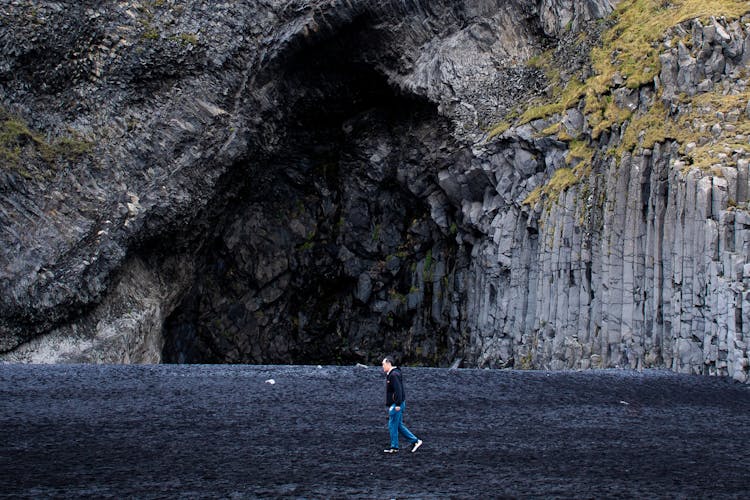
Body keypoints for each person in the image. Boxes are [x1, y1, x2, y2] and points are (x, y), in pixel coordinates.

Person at [381, 356, 423, 453]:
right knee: (398, 425)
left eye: (383, 364)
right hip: (397, 403)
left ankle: (395, 447)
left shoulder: (394, 375)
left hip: (396, 404)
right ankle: (415, 441)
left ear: (388, 363)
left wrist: (398, 404)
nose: (382, 366)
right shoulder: (394, 373)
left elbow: (398, 390)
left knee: (392, 424)